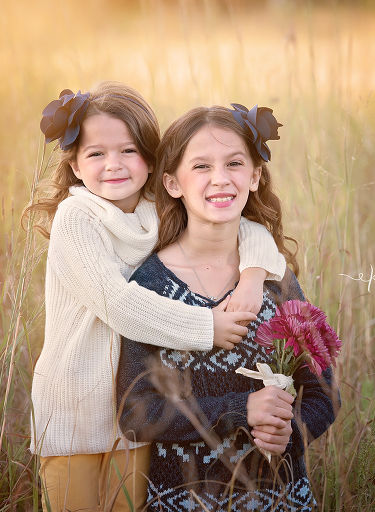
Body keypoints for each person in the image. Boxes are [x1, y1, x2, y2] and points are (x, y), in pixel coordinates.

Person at [23, 83, 287, 512]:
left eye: (128, 150)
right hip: (75, 409)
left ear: (151, 159)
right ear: (73, 163)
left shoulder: (156, 210)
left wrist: (253, 277)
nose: (114, 165)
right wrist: (207, 327)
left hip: (137, 412)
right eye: (96, 154)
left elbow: (241, 225)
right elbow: (117, 303)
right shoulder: (77, 218)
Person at [117, 104, 340, 511]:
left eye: (234, 163)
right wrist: (241, 410)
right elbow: (136, 414)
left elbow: (324, 392)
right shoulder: (149, 285)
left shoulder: (275, 280)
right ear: (172, 183)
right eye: (201, 166)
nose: (220, 179)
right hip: (184, 500)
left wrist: (291, 430)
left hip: (280, 499)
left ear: (254, 176)